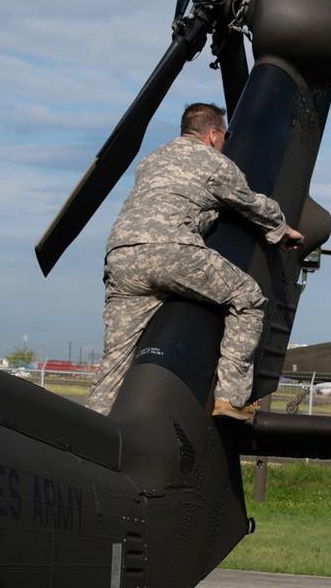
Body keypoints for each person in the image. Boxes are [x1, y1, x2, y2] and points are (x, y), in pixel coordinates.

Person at [86, 102, 304, 420]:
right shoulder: (212, 162)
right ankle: (231, 399)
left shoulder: (151, 161)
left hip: (120, 258)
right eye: (224, 137)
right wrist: (282, 229)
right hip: (170, 252)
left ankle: (94, 427)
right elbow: (248, 202)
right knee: (248, 297)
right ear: (213, 134)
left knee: (116, 358)